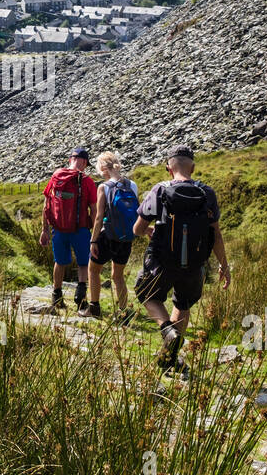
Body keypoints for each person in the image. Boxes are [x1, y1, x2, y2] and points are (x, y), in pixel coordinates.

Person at [133, 144, 232, 375]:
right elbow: (216, 234)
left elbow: (137, 229)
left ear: (168, 167)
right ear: (193, 168)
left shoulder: (160, 189)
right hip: (195, 263)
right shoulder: (206, 193)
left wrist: (150, 231)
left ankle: (168, 331)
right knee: (183, 303)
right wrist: (224, 266)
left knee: (146, 293)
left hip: (161, 259)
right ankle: (170, 358)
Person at [81, 151, 139, 324]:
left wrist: (93, 240)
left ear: (103, 168)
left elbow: (99, 217)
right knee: (118, 276)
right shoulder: (132, 185)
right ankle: (123, 314)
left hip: (107, 236)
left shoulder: (104, 187)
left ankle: (94, 308)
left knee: (93, 270)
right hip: (126, 237)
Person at [39, 147, 97, 310]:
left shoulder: (56, 176)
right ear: (84, 162)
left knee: (60, 262)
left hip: (58, 228)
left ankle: (56, 296)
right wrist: (95, 234)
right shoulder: (87, 181)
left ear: (70, 159)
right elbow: (94, 209)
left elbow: (46, 204)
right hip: (80, 229)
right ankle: (80, 296)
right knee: (83, 263)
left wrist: (44, 230)